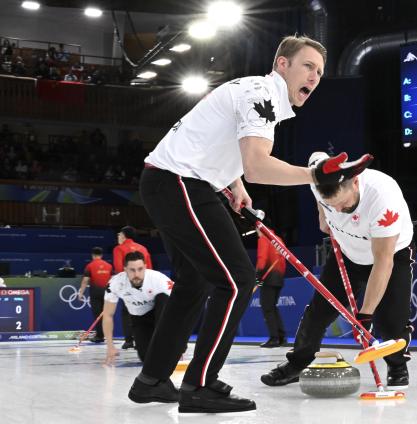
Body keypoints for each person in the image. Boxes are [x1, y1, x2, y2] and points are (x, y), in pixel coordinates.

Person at [129, 35, 371, 414]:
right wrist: (317, 175)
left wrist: (234, 182)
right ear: (282, 65)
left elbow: (223, 147)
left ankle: (152, 380)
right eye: (308, 66)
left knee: (194, 281)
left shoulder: (252, 92)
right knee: (237, 279)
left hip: (172, 181)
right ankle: (200, 384)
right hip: (179, 182)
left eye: (321, 72)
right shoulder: (263, 95)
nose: (316, 77)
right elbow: (258, 165)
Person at [260, 151, 414, 390]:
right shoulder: (318, 181)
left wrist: (364, 316)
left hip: (389, 254)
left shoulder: (383, 198)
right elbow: (315, 156)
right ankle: (297, 364)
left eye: (343, 204)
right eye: (333, 206)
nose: (340, 210)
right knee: (318, 313)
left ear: (354, 181)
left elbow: (383, 260)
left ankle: (396, 366)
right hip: (347, 252)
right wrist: (324, 214)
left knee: (391, 320)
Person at [102, 251, 173, 365]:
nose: (137, 274)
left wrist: (179, 339)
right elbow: (108, 315)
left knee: (163, 297)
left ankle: (169, 344)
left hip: (159, 312)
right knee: (146, 358)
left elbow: (179, 306)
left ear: (145, 267)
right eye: (132, 270)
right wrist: (110, 346)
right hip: (138, 318)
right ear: (125, 269)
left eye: (140, 269)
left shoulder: (159, 279)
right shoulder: (115, 284)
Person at [113, 225, 153, 350]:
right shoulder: (143, 248)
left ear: (124, 236)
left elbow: (120, 270)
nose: (118, 237)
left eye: (119, 234)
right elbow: (149, 268)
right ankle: (142, 340)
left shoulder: (119, 249)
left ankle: (129, 340)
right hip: (145, 283)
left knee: (127, 312)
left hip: (129, 284)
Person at [255, 226, 287, 348]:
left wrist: (258, 276)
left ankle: (274, 339)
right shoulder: (277, 238)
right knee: (272, 307)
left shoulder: (264, 238)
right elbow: (284, 259)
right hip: (278, 277)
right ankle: (281, 337)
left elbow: (262, 258)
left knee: (267, 308)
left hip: (268, 277)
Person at [78, 247, 113, 343]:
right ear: (101, 255)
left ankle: (99, 336)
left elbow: (85, 281)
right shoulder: (109, 266)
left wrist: (81, 293)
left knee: (98, 314)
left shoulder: (89, 266)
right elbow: (113, 280)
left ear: (92, 255)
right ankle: (107, 335)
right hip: (107, 293)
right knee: (107, 315)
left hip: (95, 293)